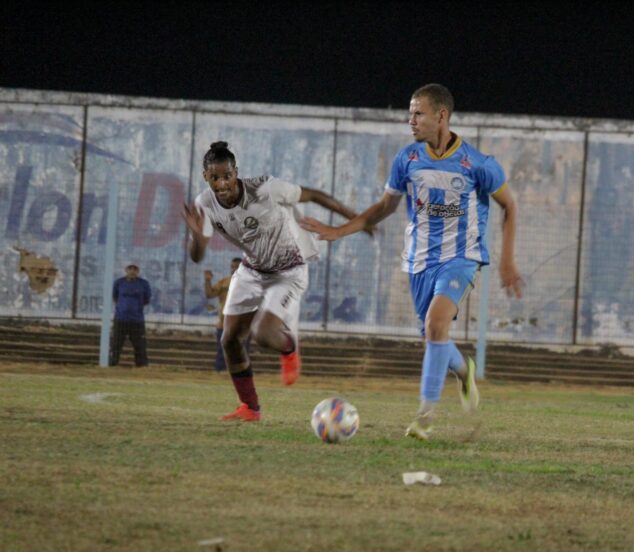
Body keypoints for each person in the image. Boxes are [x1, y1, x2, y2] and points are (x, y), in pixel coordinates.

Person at [301, 83, 524, 440]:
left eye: (418, 113)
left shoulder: (477, 164)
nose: (411, 120)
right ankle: (463, 369)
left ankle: (425, 416)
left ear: (441, 115)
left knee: (437, 325)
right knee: (434, 335)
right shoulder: (407, 159)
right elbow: (384, 207)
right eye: (409, 113)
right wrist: (339, 230)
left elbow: (510, 206)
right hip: (419, 262)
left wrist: (507, 262)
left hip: (461, 259)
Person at [182, 141, 367, 422]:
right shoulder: (204, 204)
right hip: (251, 270)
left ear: (236, 173)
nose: (222, 183)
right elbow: (197, 256)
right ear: (205, 176)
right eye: (215, 177)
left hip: (288, 270)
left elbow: (314, 195)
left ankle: (289, 346)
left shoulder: (265, 188)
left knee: (263, 334)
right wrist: (196, 237)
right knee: (230, 340)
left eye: (227, 176)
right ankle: (250, 408)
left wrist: (357, 220)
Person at [204, 257, 252, 372]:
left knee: (242, 351)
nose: (234, 269)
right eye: (232, 267)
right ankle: (221, 371)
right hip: (224, 324)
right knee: (222, 350)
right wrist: (207, 281)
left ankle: (242, 373)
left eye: (237, 267)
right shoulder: (224, 282)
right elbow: (209, 294)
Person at [109, 263, 152, 367]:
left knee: (140, 344)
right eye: (130, 269)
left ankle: (141, 365)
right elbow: (115, 297)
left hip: (137, 320)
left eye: (135, 269)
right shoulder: (119, 283)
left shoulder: (144, 284)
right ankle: (112, 363)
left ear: (138, 271)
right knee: (116, 343)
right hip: (121, 318)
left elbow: (147, 299)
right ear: (126, 270)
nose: (132, 271)